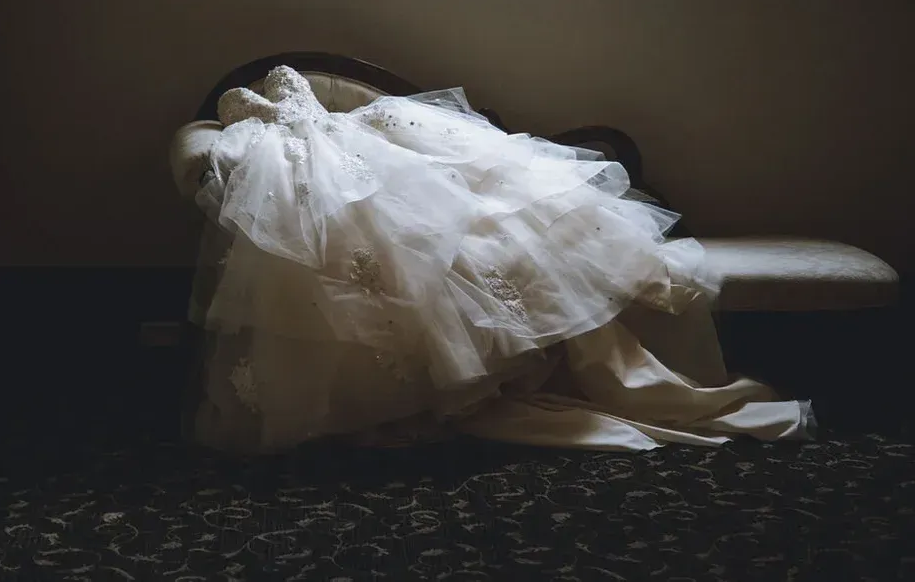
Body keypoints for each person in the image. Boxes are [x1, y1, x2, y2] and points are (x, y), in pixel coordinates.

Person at [188, 66, 814, 453]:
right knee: (397, 251)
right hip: (327, 155)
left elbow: (285, 114)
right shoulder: (253, 137)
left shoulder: (272, 102)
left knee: (471, 226)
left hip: (354, 143)